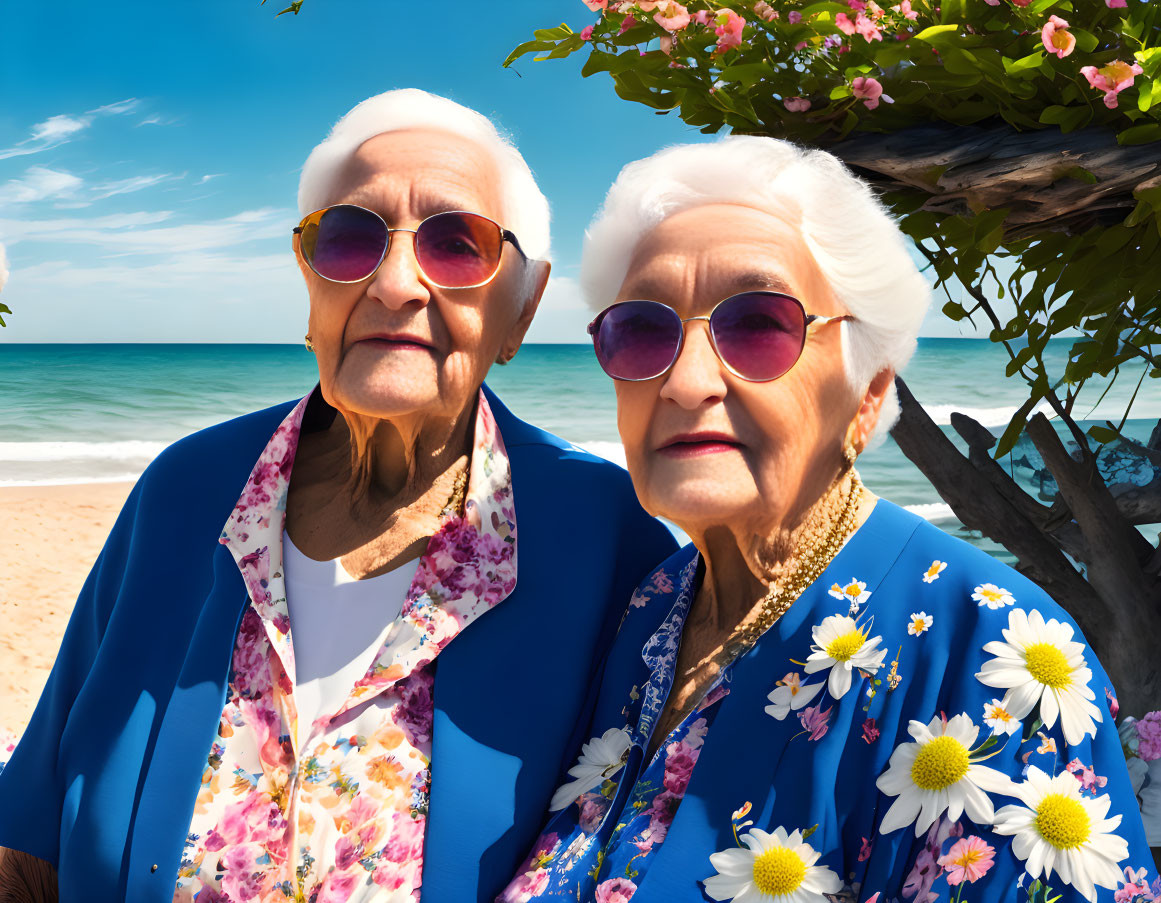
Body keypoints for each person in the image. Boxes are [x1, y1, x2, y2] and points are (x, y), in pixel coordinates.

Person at [0, 89, 676, 902]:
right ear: (309, 279)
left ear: (521, 310)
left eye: (457, 245)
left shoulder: (602, 534)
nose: (394, 285)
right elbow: (32, 836)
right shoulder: (187, 491)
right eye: (352, 238)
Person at [498, 136, 1159, 903]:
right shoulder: (651, 610)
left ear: (867, 395)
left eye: (757, 325)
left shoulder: (996, 653)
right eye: (643, 331)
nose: (683, 381)